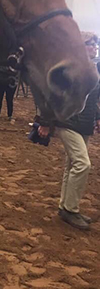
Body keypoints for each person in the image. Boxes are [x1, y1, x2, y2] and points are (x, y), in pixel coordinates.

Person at [38, 31, 100, 231]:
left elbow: (93, 100)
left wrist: (97, 118)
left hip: (84, 124)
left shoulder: (94, 70)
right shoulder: (69, 70)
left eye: (96, 44)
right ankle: (71, 209)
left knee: (72, 164)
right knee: (83, 164)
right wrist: (45, 122)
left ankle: (64, 206)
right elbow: (51, 96)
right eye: (90, 44)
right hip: (67, 122)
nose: (94, 47)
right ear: (82, 46)